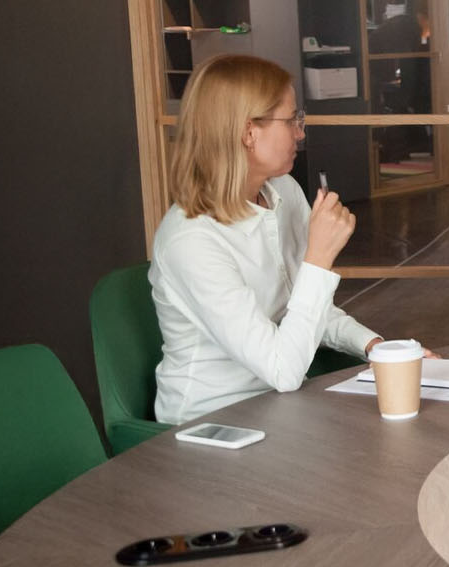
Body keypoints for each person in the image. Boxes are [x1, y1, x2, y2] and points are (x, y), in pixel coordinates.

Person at [150, 55, 389, 424]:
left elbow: (305, 311)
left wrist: (376, 347)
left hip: (279, 406)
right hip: (209, 424)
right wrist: (318, 258)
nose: (301, 132)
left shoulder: (283, 192)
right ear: (248, 132)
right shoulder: (190, 241)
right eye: (292, 120)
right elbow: (283, 370)